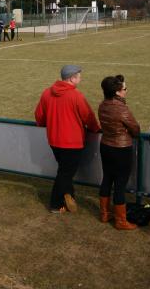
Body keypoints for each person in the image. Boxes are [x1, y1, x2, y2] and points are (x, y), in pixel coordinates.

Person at [35, 65, 101, 213]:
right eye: (78, 75)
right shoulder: (76, 96)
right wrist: (96, 129)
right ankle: (56, 204)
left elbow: (39, 116)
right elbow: (88, 117)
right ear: (71, 78)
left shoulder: (47, 93)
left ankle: (69, 196)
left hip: (54, 140)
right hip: (72, 143)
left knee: (64, 171)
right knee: (65, 173)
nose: (80, 78)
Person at [97, 75, 141, 230]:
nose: (126, 91)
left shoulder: (102, 105)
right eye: (124, 89)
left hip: (105, 146)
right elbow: (135, 129)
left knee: (107, 179)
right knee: (120, 184)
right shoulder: (121, 108)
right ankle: (121, 221)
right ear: (117, 92)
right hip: (121, 149)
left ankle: (104, 213)